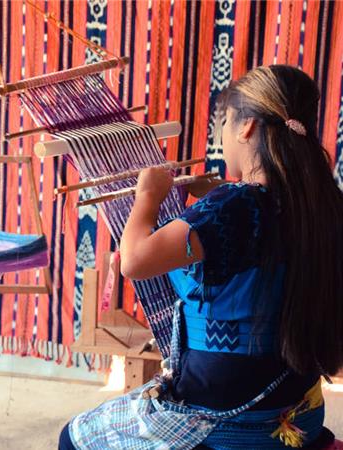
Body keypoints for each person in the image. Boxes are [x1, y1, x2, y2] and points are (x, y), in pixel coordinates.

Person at [59, 65, 343, 449]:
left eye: (225, 121)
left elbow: (135, 260)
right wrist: (214, 199)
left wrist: (147, 195)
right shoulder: (324, 204)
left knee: (74, 438)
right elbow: (260, 240)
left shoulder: (234, 207)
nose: (223, 134)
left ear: (247, 128)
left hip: (228, 415)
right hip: (298, 410)